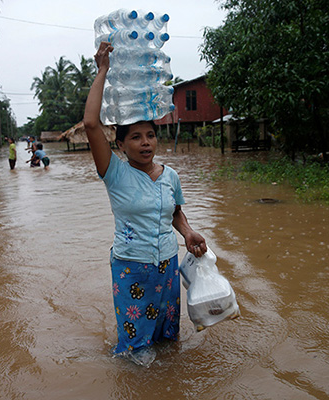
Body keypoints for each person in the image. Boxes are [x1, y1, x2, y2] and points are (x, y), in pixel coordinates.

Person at [83, 41, 207, 365]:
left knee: (168, 343)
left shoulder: (170, 176)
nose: (145, 142)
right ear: (121, 145)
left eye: (150, 135)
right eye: (136, 137)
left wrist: (189, 233)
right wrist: (103, 71)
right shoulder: (115, 173)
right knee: (136, 352)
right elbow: (91, 125)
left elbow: (175, 212)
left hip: (167, 266)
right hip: (131, 269)